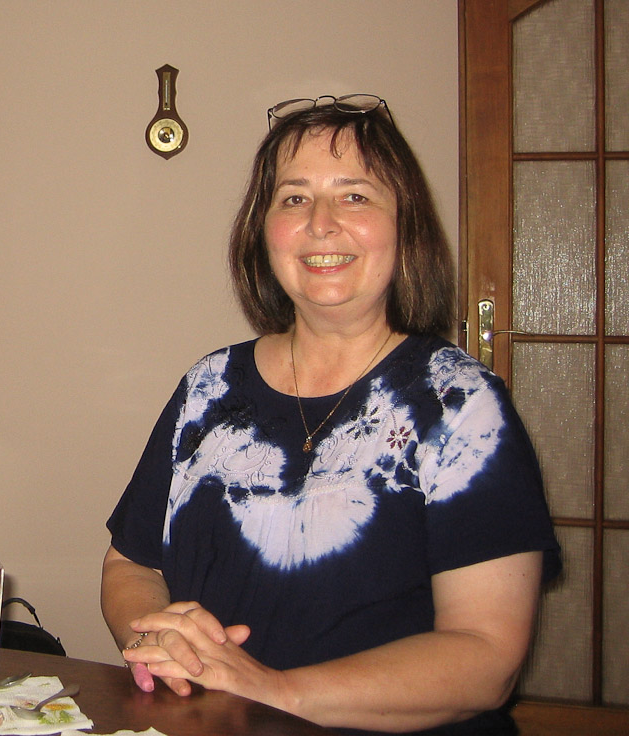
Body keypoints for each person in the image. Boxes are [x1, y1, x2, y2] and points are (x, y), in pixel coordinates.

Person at [102, 96, 560, 735]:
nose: (321, 223)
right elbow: (130, 564)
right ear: (262, 231)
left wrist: (273, 690)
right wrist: (159, 636)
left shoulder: (460, 404)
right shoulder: (208, 387)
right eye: (294, 198)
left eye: (355, 196)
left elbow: (486, 659)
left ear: (405, 227)